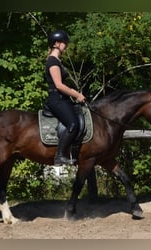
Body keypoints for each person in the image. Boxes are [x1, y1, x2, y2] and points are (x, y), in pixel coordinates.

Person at [45, 30, 86, 165]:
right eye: (64, 43)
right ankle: (60, 155)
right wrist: (77, 95)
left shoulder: (57, 61)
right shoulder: (52, 61)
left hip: (62, 98)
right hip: (56, 99)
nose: (66, 46)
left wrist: (77, 94)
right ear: (56, 44)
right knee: (73, 124)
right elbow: (59, 85)